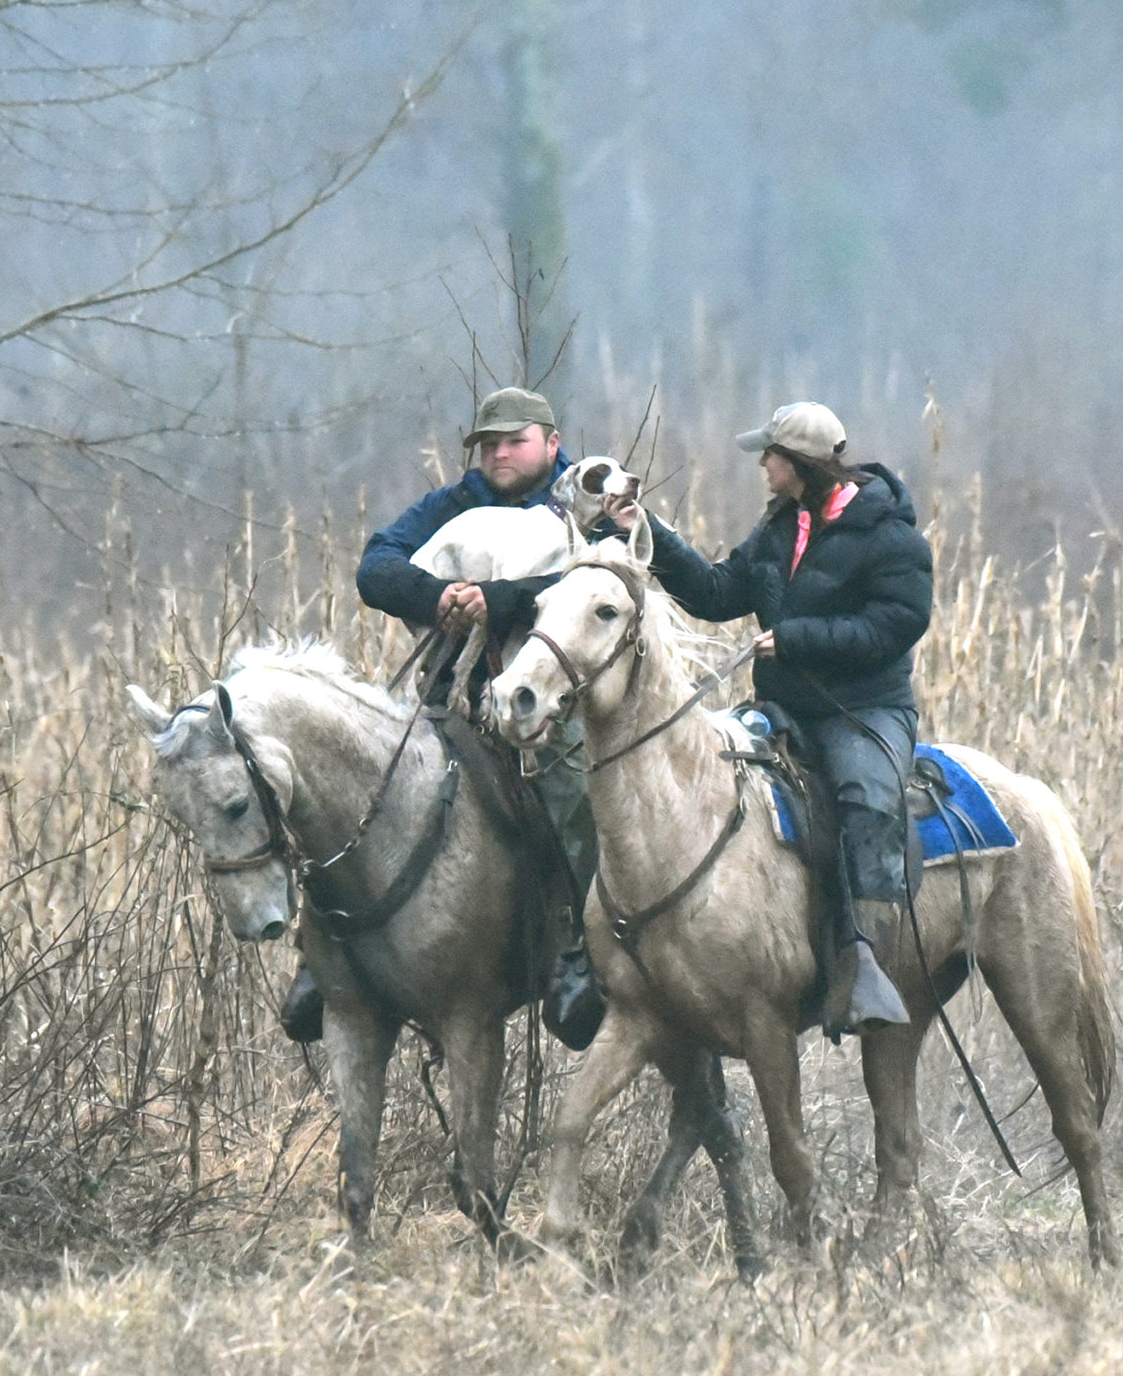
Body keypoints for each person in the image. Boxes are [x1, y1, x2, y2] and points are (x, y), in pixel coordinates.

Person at [278, 386, 606, 1049]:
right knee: (367, 780)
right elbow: (377, 566)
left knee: (574, 793)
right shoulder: (456, 504)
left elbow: (604, 578)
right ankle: (323, 956)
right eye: (488, 444)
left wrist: (498, 599)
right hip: (454, 696)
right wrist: (441, 596)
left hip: (556, 706)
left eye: (514, 441)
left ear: (550, 439)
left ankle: (585, 950)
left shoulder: (590, 501)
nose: (498, 453)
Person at [605, 401, 932, 1035]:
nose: (761, 463)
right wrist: (644, 528)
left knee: (865, 797)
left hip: (863, 711)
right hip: (782, 708)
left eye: (771, 454)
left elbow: (898, 624)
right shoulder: (781, 525)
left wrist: (800, 637)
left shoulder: (892, 537)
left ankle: (863, 959)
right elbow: (717, 592)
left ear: (801, 464)